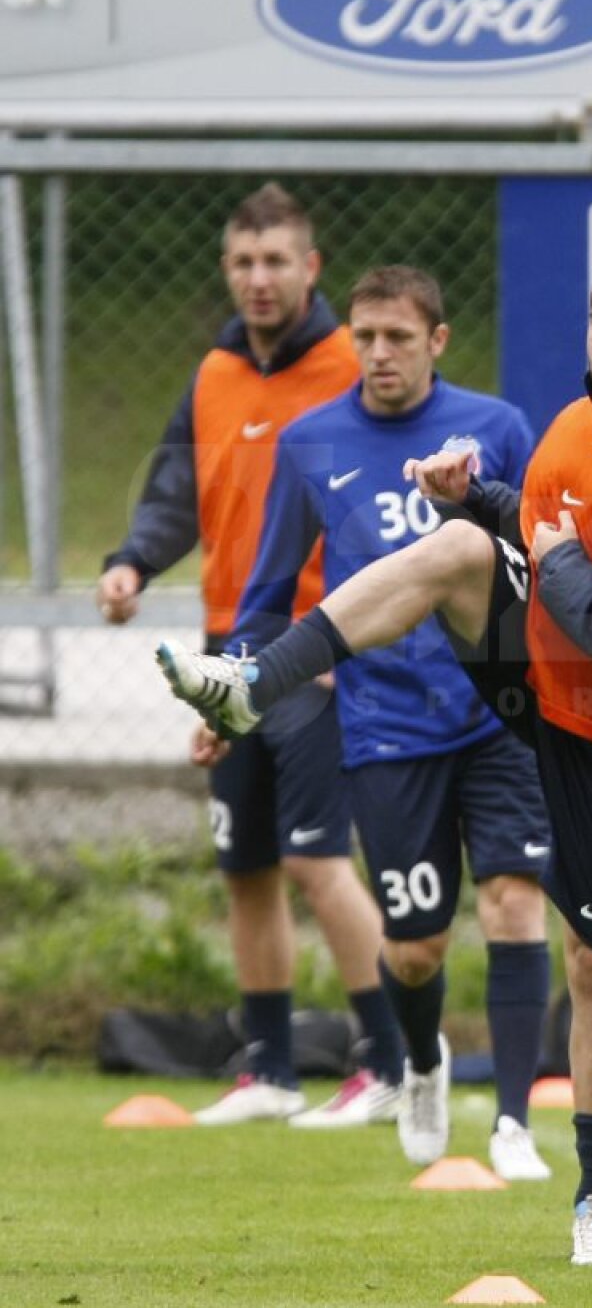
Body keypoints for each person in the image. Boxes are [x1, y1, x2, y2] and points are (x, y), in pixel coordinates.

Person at [156, 255, 592, 1264]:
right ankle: (255, 687)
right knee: (458, 552)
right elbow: (538, 531)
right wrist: (478, 497)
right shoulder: (570, 425)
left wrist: (550, 555)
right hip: (541, 688)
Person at [218, 264, 554, 1172]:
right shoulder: (311, 441)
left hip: (498, 719)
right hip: (385, 729)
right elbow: (267, 596)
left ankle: (515, 1123)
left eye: (399, 337)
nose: (379, 354)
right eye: (364, 337)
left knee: (516, 903)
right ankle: (421, 1060)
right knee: (414, 950)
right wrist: (232, 686)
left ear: (437, 341)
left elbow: (539, 556)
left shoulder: (497, 429)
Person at [98, 184, 405, 1126]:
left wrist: (350, 639)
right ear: (228, 270)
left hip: (321, 649)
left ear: (310, 268)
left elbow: (393, 509)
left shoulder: (353, 368)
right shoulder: (216, 372)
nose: (259, 279)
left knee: (320, 864)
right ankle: (270, 1070)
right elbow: (178, 490)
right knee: (246, 867)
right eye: (243, 263)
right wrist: (131, 562)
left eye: (277, 261)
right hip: (227, 652)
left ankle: (392, 1062)